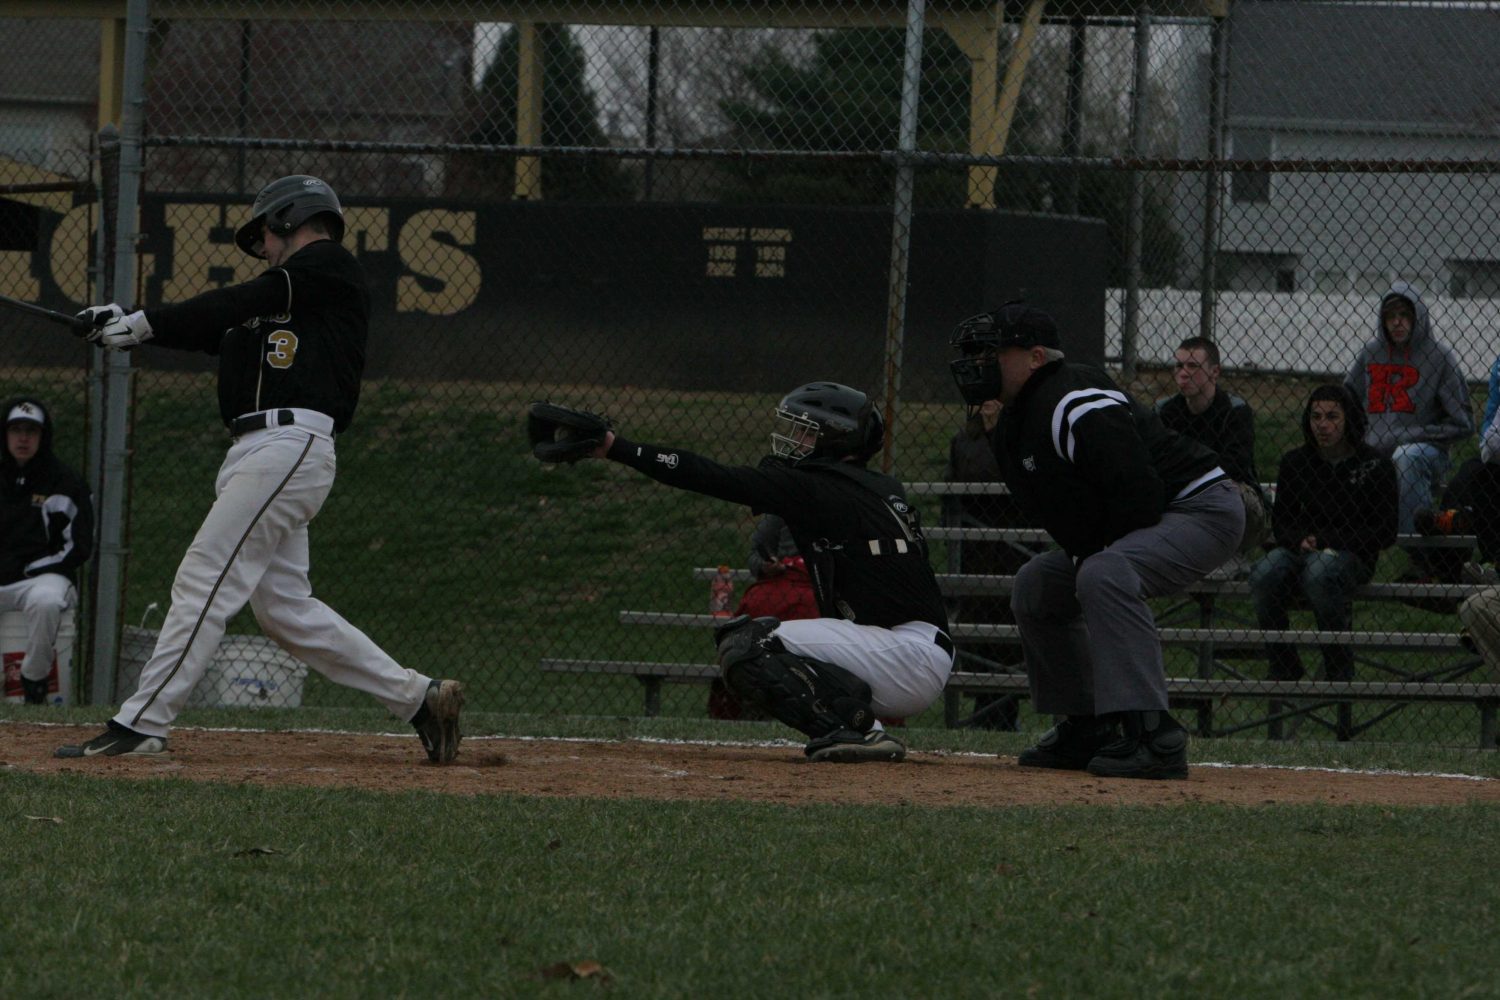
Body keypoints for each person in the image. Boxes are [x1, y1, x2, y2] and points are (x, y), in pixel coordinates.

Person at [54, 174, 463, 761]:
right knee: (285, 612)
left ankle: (142, 722)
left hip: (289, 443)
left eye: (267, 236)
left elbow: (240, 299)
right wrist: (120, 328)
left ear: (293, 218)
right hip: (259, 452)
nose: (264, 249)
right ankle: (420, 699)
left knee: (204, 577)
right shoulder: (283, 304)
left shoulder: (330, 267)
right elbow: (211, 324)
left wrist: (141, 321)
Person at [566, 381, 953, 763]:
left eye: (806, 431)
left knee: (750, 643)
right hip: (905, 650)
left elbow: (711, 476)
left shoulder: (823, 488)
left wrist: (616, 447)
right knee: (761, 636)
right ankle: (860, 726)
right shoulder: (871, 486)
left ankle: (861, 731)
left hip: (907, 654)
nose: (794, 439)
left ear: (837, 438)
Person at [949, 302, 1243, 780]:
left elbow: (1139, 493)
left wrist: (1095, 557)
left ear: (1036, 357)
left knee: (1104, 572)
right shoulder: (1012, 425)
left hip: (1201, 507)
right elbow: (1065, 516)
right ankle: (1086, 726)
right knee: (1036, 584)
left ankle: (1152, 732)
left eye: (994, 352)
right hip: (1152, 515)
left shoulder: (1073, 396)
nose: (980, 363)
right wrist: (1089, 552)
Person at [1248, 386, 1397, 694]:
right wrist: (1299, 540)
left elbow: (1384, 531)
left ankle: (1338, 667)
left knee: (1320, 572)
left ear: (1348, 419)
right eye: (1316, 416)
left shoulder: (1375, 464)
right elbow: (1282, 520)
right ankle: (1284, 663)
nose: (1323, 425)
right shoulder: (1295, 462)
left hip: (1351, 553)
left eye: (1332, 417)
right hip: (1299, 549)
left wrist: (1330, 539)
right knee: (1263, 572)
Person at [1342, 283, 1472, 558]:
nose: (1397, 322)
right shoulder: (1371, 353)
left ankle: (1421, 554)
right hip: (1373, 450)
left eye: (1404, 315)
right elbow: (1345, 401)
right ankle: (1346, 555)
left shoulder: (1439, 357)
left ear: (1417, 317)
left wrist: (1409, 435)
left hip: (1425, 450)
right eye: (1390, 316)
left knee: (1406, 456)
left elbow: (1462, 423)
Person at [0, 398, 93, 705]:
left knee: (47, 601)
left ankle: (34, 681)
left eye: (31, 431)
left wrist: (31, 568)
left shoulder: (65, 482)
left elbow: (78, 546)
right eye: (15, 430)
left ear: (43, 436)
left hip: (42, 577)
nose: (23, 438)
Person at [943, 398, 1026, 730]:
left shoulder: (1019, 437)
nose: (989, 402)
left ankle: (1007, 708)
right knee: (978, 623)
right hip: (976, 546)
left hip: (1016, 546)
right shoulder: (965, 440)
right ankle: (982, 708)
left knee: (1011, 622)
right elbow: (954, 487)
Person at [705, 513, 814, 721]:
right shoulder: (780, 508)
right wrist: (766, 566)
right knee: (758, 604)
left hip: (814, 584)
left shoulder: (836, 502)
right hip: (780, 581)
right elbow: (755, 555)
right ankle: (751, 695)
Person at [1155, 336, 1259, 487]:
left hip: (1225, 489)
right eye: (1179, 365)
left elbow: (1234, 468)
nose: (1183, 373)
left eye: (1192, 366)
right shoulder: (1164, 409)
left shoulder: (1234, 410)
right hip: (1177, 490)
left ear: (1214, 372)